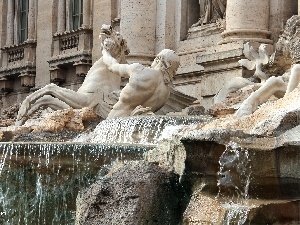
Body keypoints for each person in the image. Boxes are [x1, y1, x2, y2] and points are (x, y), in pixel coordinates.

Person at [101, 38, 180, 118]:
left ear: (158, 59)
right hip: (137, 127)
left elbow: (112, 66)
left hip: (115, 122)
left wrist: (105, 50)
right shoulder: (166, 93)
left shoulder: (139, 70)